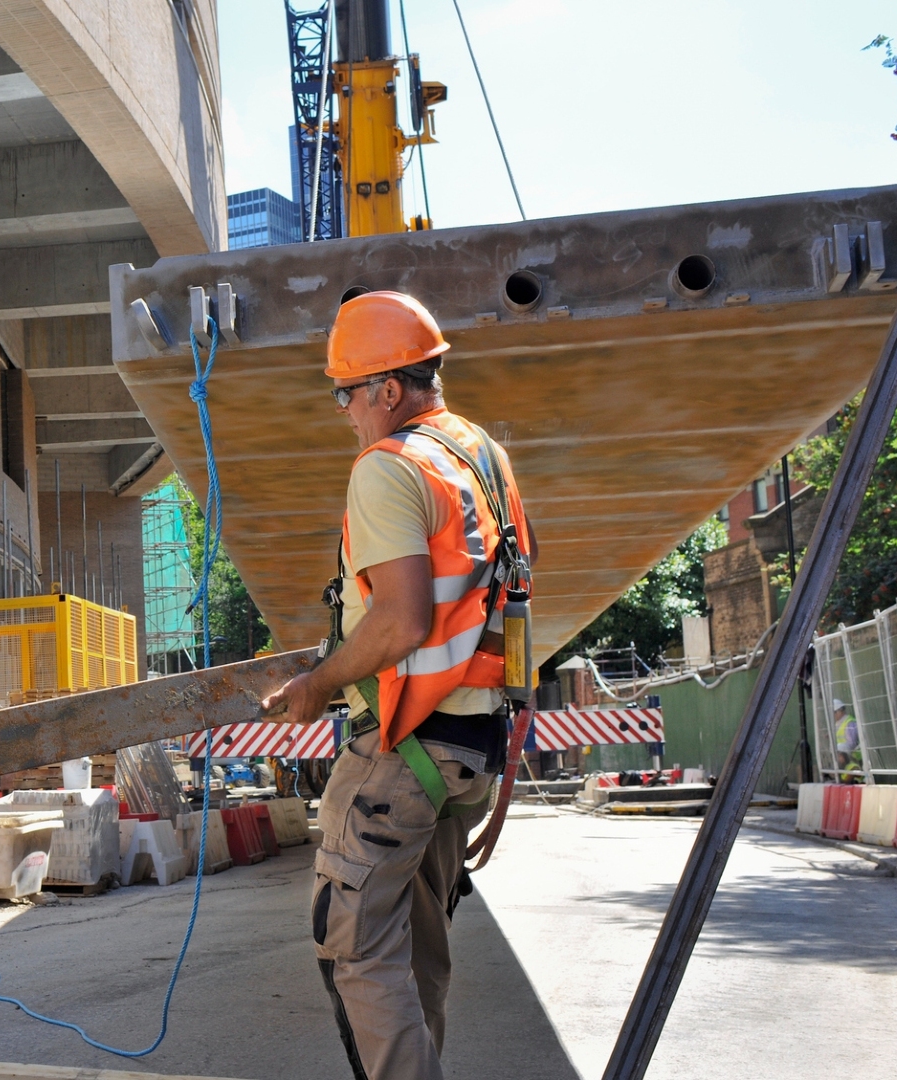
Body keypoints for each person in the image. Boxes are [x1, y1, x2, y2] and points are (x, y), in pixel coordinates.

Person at [263, 290, 534, 1080]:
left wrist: (319, 681)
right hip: (470, 747)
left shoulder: (389, 467)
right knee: (417, 951)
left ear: (387, 388)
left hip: (404, 747)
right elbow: (498, 592)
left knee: (352, 948)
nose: (344, 411)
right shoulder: (479, 455)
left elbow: (401, 621)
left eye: (346, 393)